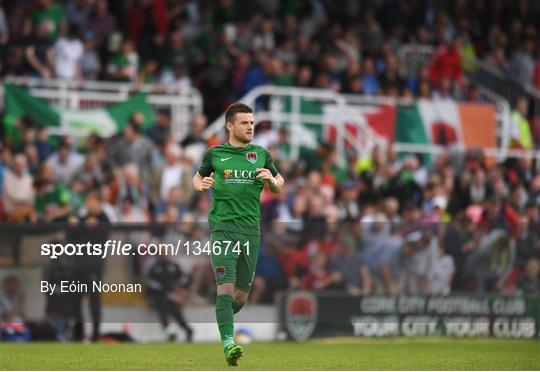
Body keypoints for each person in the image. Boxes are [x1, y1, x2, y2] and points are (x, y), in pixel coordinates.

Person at [192, 103, 284, 366]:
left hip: (251, 233)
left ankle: (224, 317)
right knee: (225, 287)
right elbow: (197, 178)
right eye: (244, 122)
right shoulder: (215, 154)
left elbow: (279, 184)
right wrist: (202, 186)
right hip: (222, 230)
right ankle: (229, 343)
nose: (250, 127)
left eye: (252, 122)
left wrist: (273, 181)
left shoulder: (262, 155)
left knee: (240, 297)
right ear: (230, 126)